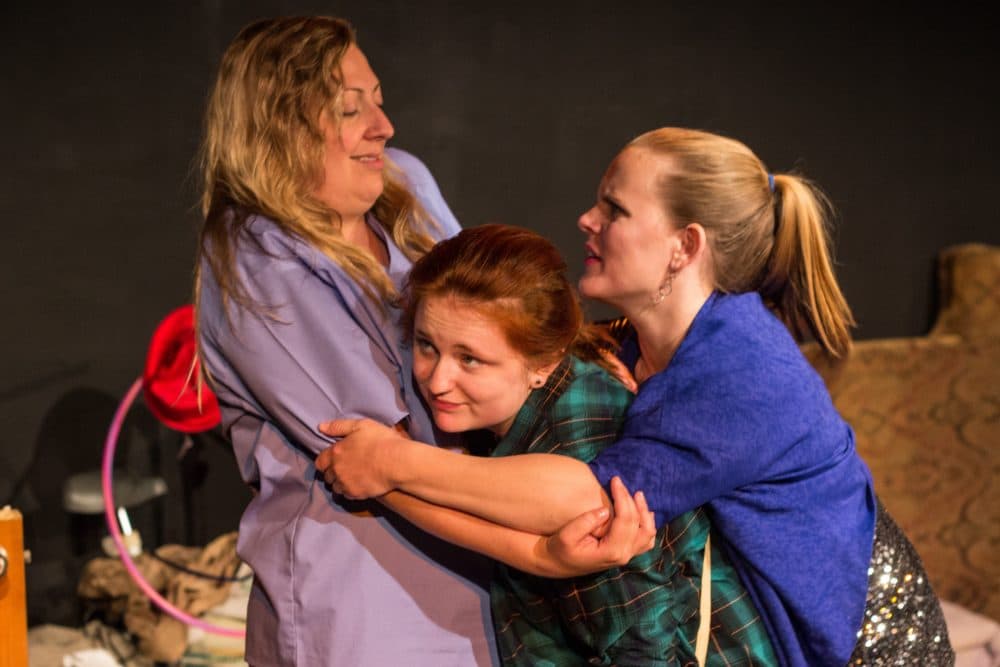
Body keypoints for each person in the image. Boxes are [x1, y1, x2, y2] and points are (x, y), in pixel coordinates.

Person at [319, 128, 954, 666]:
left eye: (614, 210)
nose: (587, 220)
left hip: (869, 645)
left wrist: (392, 466)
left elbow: (581, 502)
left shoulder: (739, 373)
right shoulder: (631, 345)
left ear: (686, 246)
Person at [319, 223, 778, 665]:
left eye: (470, 359)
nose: (438, 380)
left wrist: (387, 467)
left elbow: (643, 647)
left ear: (543, 362)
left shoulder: (582, 437)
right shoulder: (512, 417)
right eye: (425, 345)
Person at [193, 16, 498, 666]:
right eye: (348, 109)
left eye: (379, 101)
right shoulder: (254, 251)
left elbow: (499, 332)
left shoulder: (405, 186)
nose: (382, 127)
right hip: (363, 619)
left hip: (479, 597)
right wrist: (548, 537)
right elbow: (384, 458)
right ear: (279, 128)